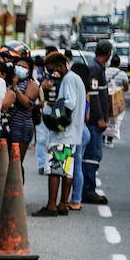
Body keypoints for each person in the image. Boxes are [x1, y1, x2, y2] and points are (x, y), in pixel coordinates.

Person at [37, 49, 86, 215]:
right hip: (72, 135)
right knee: (67, 170)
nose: (52, 73)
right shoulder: (75, 79)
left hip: (62, 134)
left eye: (53, 69)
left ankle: (52, 206)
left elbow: (69, 104)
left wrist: (51, 112)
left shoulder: (69, 80)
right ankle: (63, 204)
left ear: (60, 65)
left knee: (54, 170)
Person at [78, 40, 113, 205]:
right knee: (92, 156)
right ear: (108, 54)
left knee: (93, 155)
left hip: (96, 121)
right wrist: (99, 117)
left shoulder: (99, 69)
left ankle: (87, 189)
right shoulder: (95, 69)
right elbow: (93, 95)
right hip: (93, 122)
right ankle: (88, 191)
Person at [0, 41, 39, 169]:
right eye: (18, 65)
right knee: (4, 164)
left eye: (24, 66)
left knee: (16, 164)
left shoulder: (31, 84)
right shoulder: (8, 80)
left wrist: (16, 88)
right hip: (7, 127)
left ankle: (17, 189)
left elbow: (28, 104)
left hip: (21, 128)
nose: (19, 68)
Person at [104, 52, 128, 147]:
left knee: (105, 117)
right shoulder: (122, 74)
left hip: (105, 97)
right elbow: (126, 87)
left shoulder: (105, 71)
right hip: (116, 100)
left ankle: (102, 137)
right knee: (114, 119)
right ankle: (110, 139)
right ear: (119, 64)